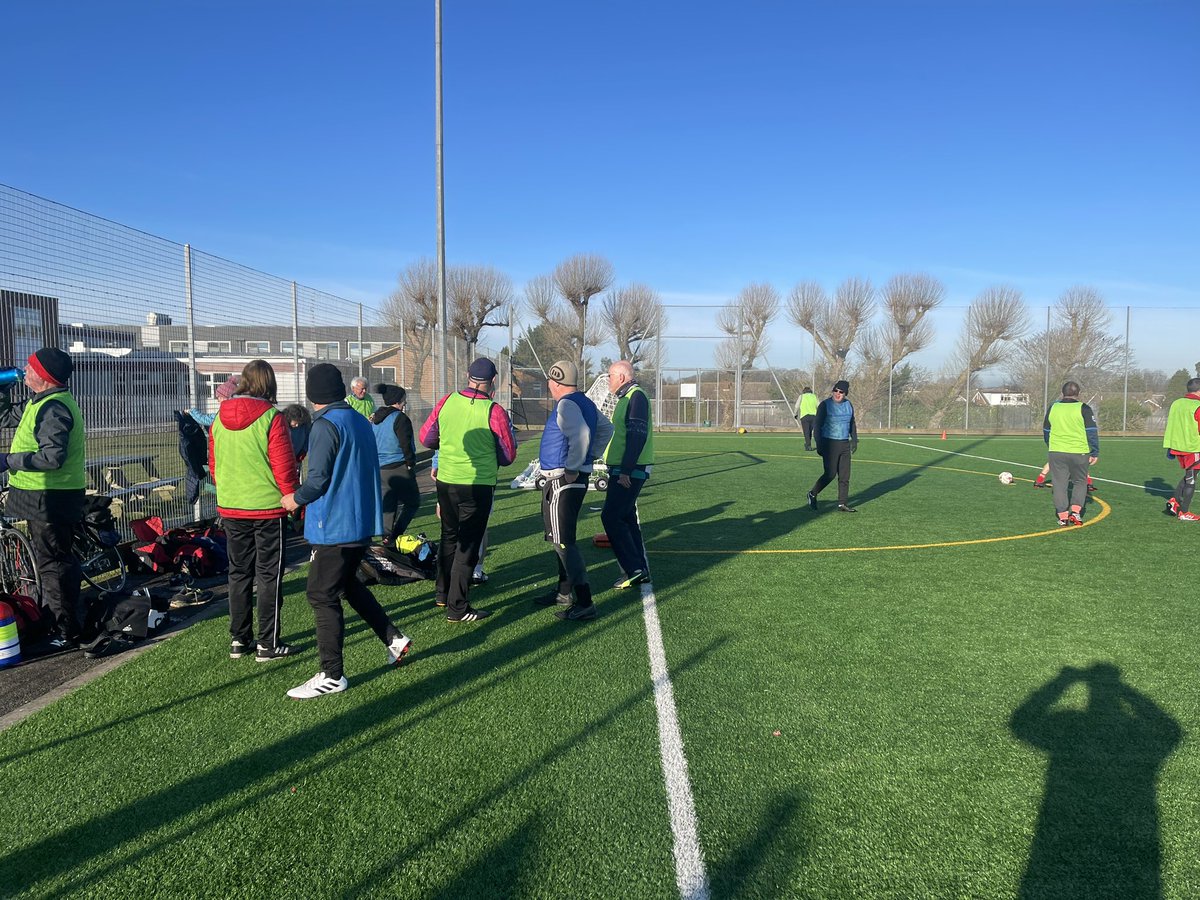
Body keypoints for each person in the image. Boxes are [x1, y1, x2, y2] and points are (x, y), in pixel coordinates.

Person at [281, 364, 412, 698]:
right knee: (348, 585)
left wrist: (294, 499)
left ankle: (332, 674)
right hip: (359, 520)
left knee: (321, 594)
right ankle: (393, 638)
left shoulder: (325, 425)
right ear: (341, 390)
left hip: (335, 524)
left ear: (311, 395)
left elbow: (319, 478)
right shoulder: (357, 419)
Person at [209, 360, 299, 661]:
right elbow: (283, 464)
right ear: (269, 383)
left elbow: (214, 464)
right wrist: (292, 497)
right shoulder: (272, 417)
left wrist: (229, 488)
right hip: (267, 508)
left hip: (232, 506)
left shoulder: (218, 418)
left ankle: (239, 638)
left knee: (238, 573)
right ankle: (268, 642)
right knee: (269, 575)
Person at [419, 357, 517, 623]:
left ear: (467, 376)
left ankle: (442, 593)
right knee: (468, 545)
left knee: (449, 536)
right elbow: (508, 454)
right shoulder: (494, 411)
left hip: (447, 481)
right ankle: (457, 607)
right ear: (493, 381)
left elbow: (426, 438)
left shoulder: (447, 400)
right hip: (477, 484)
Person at [0, 349, 86, 650]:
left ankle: (67, 630)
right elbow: (4, 417)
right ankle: (63, 620)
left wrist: (9, 460)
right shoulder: (39, 402)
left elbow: (52, 458)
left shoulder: (53, 408)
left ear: (44, 377)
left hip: (51, 495)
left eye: (30, 367)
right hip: (44, 495)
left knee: (53, 563)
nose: (24, 369)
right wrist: (2, 391)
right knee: (54, 559)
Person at [535, 360, 613, 621]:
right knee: (561, 537)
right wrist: (590, 457)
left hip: (563, 480)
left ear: (554, 382)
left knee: (563, 541)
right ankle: (564, 591)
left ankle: (584, 601)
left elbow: (580, 435)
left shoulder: (567, 404)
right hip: (569, 479)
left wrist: (574, 466)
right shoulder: (585, 402)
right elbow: (606, 429)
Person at [601, 360, 655, 590]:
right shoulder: (627, 398)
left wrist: (625, 470)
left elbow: (637, 435)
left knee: (611, 517)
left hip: (630, 470)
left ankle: (633, 569)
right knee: (626, 517)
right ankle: (639, 568)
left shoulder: (636, 397)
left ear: (621, 377)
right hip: (624, 469)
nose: (608, 381)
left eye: (610, 376)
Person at [1043, 381, 1099, 526]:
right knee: (1080, 482)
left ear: (1063, 392)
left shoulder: (1053, 407)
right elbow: (1091, 432)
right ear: (1078, 393)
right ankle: (1075, 513)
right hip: (1079, 452)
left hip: (1057, 451)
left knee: (1059, 484)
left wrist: (1051, 445)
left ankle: (1062, 517)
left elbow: (1046, 430)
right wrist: (1094, 451)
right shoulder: (1084, 408)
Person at [372, 383, 420, 543]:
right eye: (404, 399)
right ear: (398, 400)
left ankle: (386, 539)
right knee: (413, 503)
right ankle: (394, 536)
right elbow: (405, 443)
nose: (405, 402)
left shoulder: (376, 419)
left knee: (389, 504)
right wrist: (410, 462)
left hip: (380, 468)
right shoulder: (400, 419)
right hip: (398, 465)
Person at [807, 380, 858, 513]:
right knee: (830, 474)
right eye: (835, 390)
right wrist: (819, 444)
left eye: (841, 392)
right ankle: (812, 493)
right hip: (829, 443)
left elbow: (852, 423)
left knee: (845, 476)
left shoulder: (849, 405)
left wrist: (854, 440)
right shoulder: (825, 405)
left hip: (844, 443)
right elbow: (817, 426)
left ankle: (842, 504)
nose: (837, 394)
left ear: (845, 393)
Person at [1162, 376, 1200, 522]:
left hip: (1178, 445)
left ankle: (1174, 500)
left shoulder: (1176, 403)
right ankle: (1184, 512)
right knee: (1191, 479)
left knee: (1192, 474)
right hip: (1193, 446)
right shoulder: (1197, 406)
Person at [793, 386, 819, 451]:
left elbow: (796, 406)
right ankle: (812, 444)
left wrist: (795, 414)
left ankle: (808, 445)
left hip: (804, 416)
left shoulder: (801, 396)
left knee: (806, 432)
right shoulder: (814, 396)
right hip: (814, 416)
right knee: (812, 431)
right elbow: (819, 405)